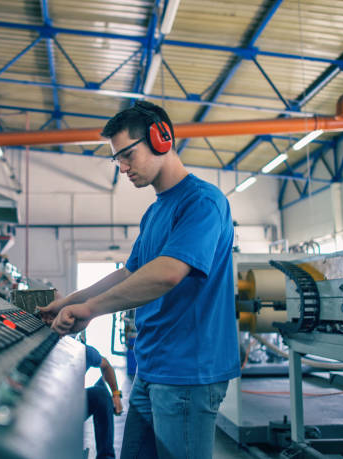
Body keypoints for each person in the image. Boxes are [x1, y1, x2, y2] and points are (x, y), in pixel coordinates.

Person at [37, 101, 240, 459]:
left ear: (162, 138)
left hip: (188, 374)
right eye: (117, 159)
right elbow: (129, 272)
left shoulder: (202, 202)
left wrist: (92, 309)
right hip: (152, 368)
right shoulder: (156, 211)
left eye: (128, 154)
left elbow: (167, 273)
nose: (123, 168)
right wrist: (68, 301)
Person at [84, 343, 123, 459]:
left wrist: (116, 394)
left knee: (101, 395)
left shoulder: (85, 351)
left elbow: (106, 366)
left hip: (71, 404)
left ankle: (106, 457)